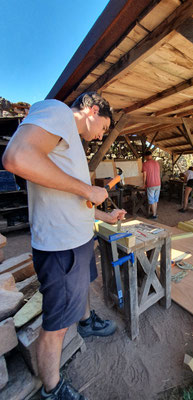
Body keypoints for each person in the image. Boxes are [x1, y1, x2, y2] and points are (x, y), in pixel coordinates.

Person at [2, 92, 126, 400]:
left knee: (84, 286)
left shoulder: (69, 141)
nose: (101, 135)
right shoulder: (57, 112)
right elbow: (16, 157)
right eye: (104, 126)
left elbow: (75, 202)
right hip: (60, 246)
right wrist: (87, 188)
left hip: (79, 237)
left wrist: (104, 213)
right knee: (55, 324)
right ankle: (52, 389)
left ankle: (85, 322)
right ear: (91, 110)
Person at [142, 150, 161, 219]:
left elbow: (144, 175)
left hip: (151, 184)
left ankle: (154, 215)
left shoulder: (145, 164)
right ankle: (154, 213)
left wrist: (144, 184)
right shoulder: (157, 163)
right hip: (158, 183)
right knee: (155, 200)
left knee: (151, 200)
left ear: (146, 156)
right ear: (151, 155)